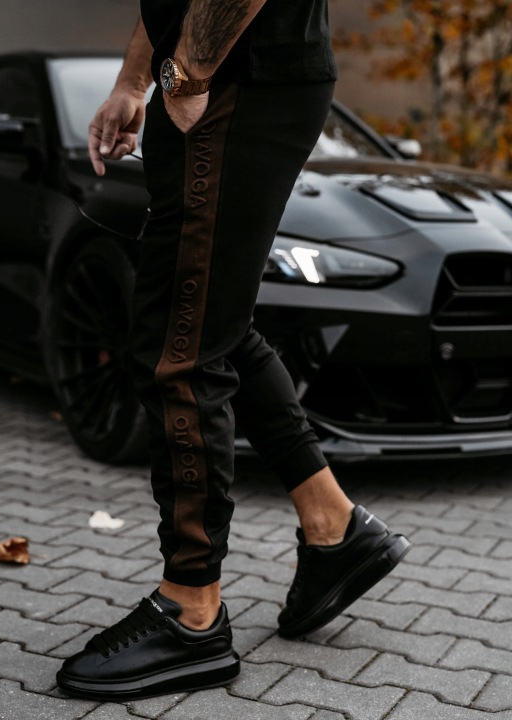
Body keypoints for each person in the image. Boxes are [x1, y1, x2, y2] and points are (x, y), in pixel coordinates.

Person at [57, 0, 411, 700]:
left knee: (178, 348)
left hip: (234, 76)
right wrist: (135, 82)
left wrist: (188, 74)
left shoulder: (208, 76)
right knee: (207, 322)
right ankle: (333, 526)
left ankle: (191, 610)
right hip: (221, 75)